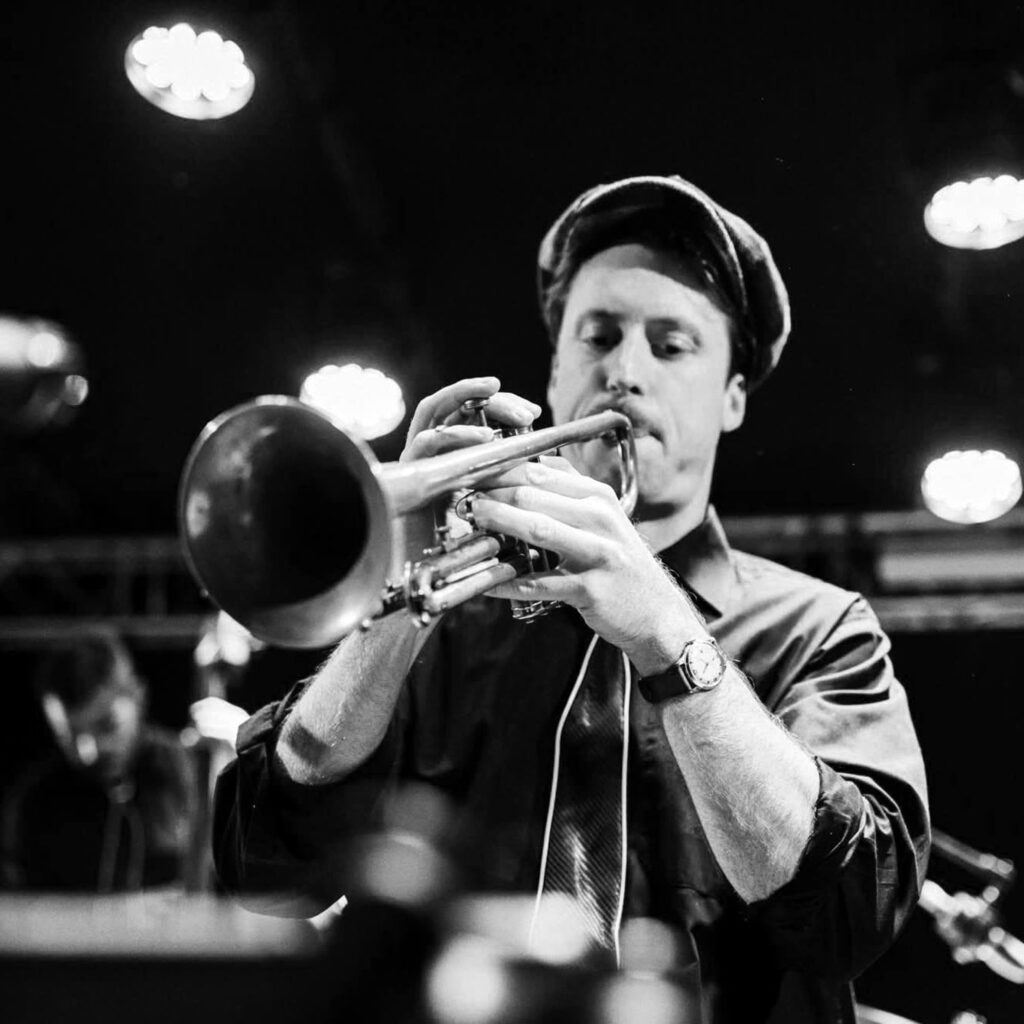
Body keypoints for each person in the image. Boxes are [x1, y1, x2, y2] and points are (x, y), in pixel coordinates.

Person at [212, 175, 930, 1022]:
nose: (624, 371)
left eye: (672, 345)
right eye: (598, 336)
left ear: (733, 396)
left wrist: (665, 629)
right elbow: (265, 866)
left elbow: (849, 917)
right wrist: (395, 597)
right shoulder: (442, 626)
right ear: (554, 369)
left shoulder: (822, 627)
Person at [1, 630, 197, 892]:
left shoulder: (192, 773)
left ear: (139, 696)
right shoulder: (34, 803)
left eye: (107, 726)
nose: (88, 752)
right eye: (69, 736)